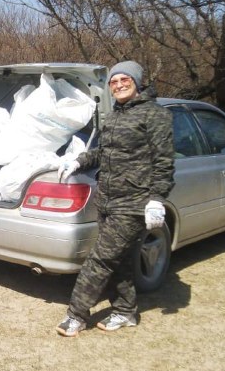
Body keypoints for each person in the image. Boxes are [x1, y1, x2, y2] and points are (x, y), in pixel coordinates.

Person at [56, 60, 175, 336]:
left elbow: (164, 161)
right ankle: (125, 312)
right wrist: (78, 161)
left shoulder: (154, 115)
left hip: (134, 203)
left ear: (136, 82)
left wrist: (157, 198)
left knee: (99, 259)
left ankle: (76, 316)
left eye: (125, 80)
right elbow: (102, 152)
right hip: (108, 200)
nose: (119, 85)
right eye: (114, 81)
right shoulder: (115, 115)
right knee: (118, 259)